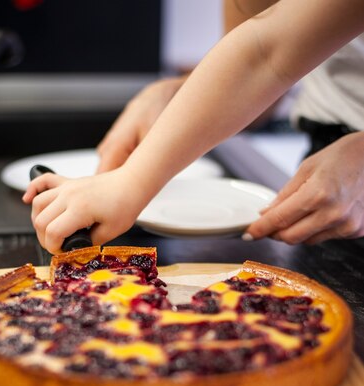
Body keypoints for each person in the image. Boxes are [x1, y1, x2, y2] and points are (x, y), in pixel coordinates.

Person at [23, 0, 364, 253]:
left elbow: (265, 58)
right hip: (333, 174)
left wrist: (131, 181)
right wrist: (175, 93)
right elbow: (263, 71)